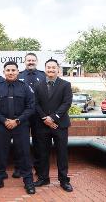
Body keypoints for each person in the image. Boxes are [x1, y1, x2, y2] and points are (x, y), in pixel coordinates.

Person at [0, 61, 35, 194]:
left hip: (21, 126)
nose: (10, 72)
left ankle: (28, 181)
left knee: (25, 154)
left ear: (18, 72)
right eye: (8, 70)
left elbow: (31, 107)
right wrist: (4, 121)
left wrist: (17, 121)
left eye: (13, 70)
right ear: (4, 72)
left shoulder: (25, 87)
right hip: (2, 126)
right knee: (0, 154)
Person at [33, 59, 73, 192]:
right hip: (42, 125)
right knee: (43, 153)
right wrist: (45, 118)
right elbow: (35, 104)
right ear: (45, 69)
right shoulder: (38, 85)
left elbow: (66, 103)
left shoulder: (65, 85)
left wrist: (53, 118)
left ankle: (63, 180)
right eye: (48, 67)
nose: (51, 70)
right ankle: (44, 178)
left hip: (60, 125)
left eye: (53, 68)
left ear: (58, 69)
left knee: (62, 153)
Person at [14, 53, 46, 178]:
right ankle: (19, 168)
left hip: (39, 116)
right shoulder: (19, 75)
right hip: (23, 116)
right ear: (25, 61)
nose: (31, 62)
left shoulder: (43, 75)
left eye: (33, 60)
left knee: (39, 144)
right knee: (20, 143)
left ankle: (38, 169)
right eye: (28, 60)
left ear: (37, 61)